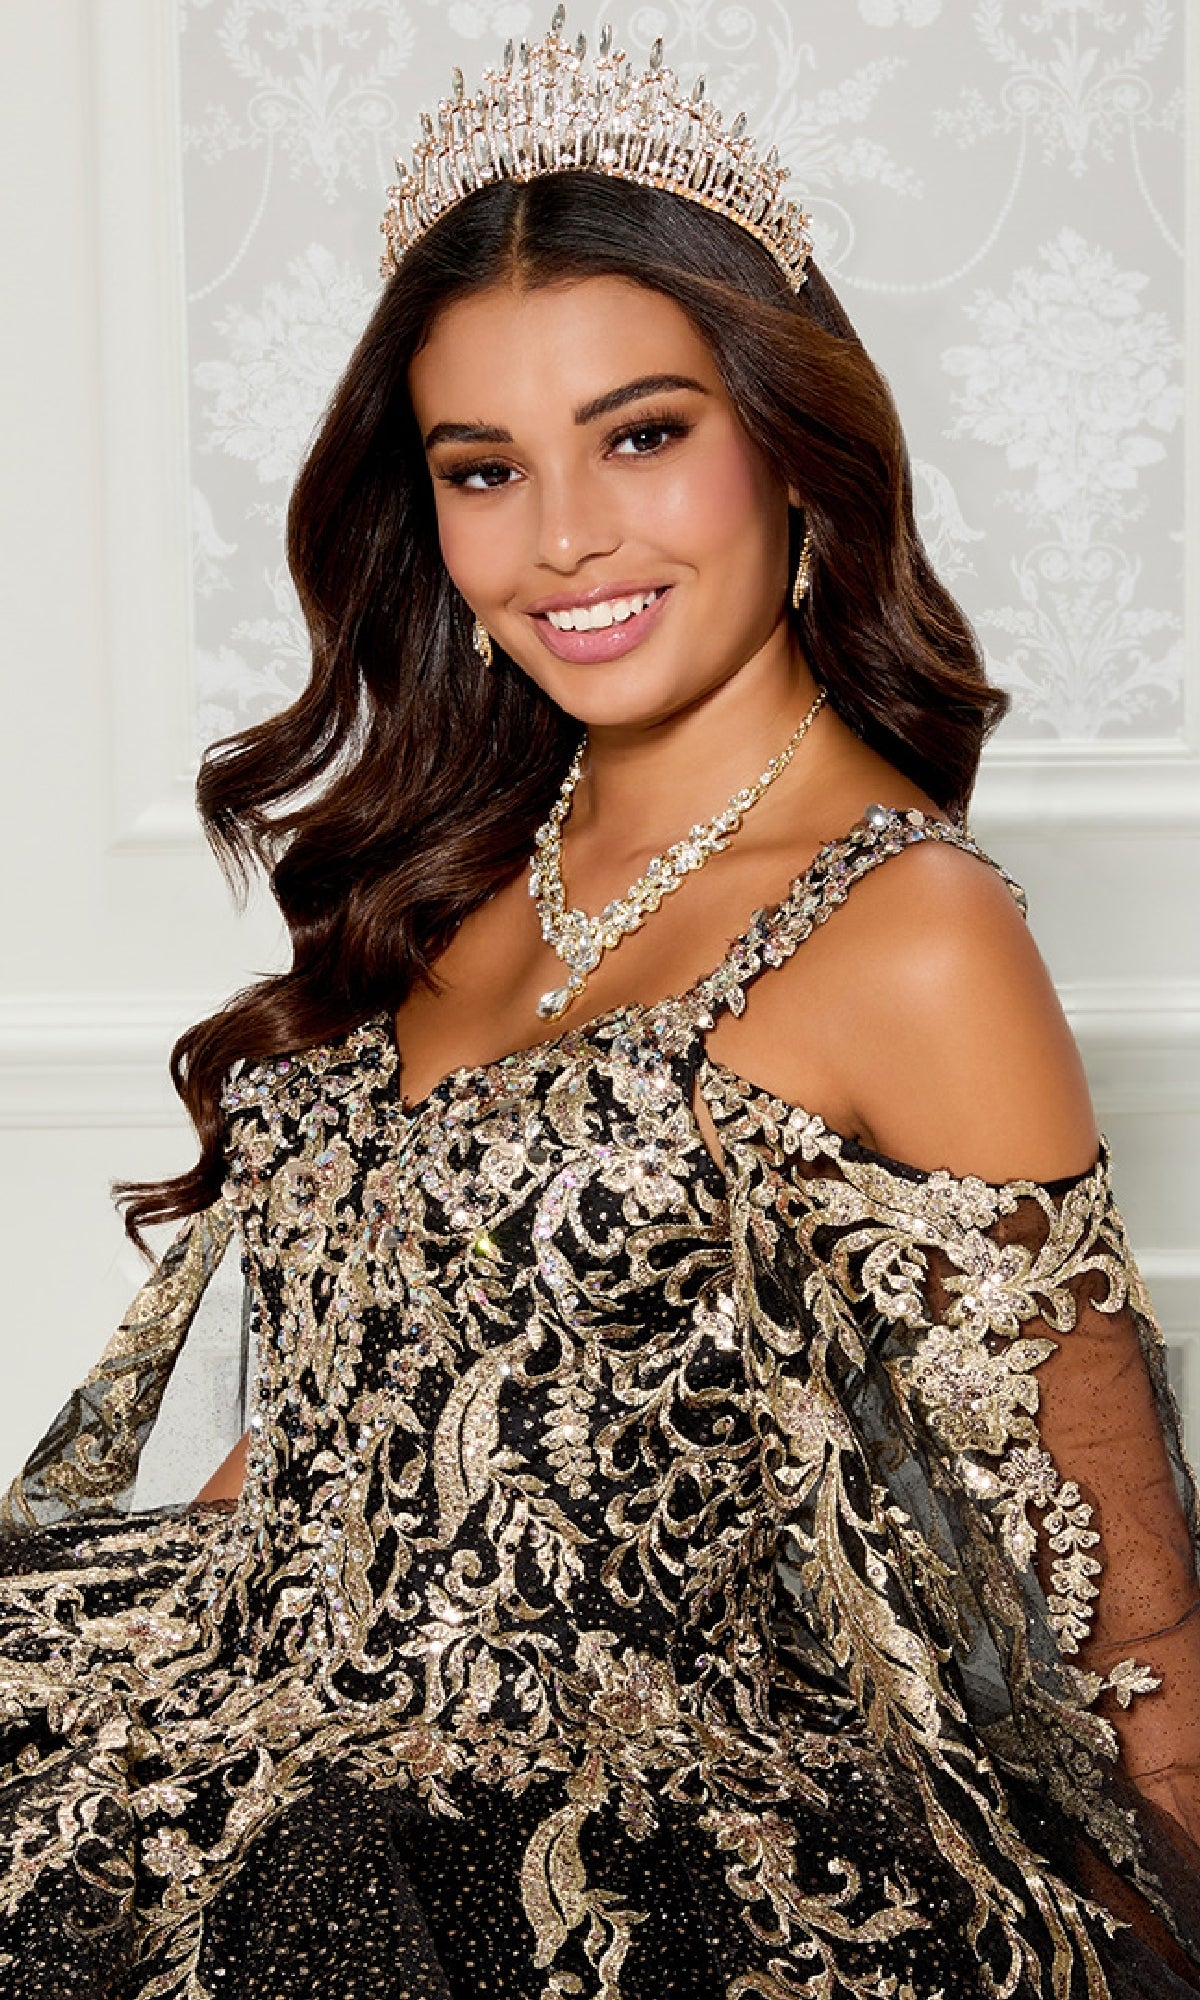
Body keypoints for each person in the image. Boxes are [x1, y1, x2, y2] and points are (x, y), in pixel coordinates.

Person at [2, 12, 1198, 1997]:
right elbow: (347, 1420)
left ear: (793, 447)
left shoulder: (909, 930)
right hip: (252, 1708)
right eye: (486, 467)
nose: (563, 537)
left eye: (643, 433)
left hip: (620, 1854)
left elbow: (1122, 1604)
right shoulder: (463, 864)